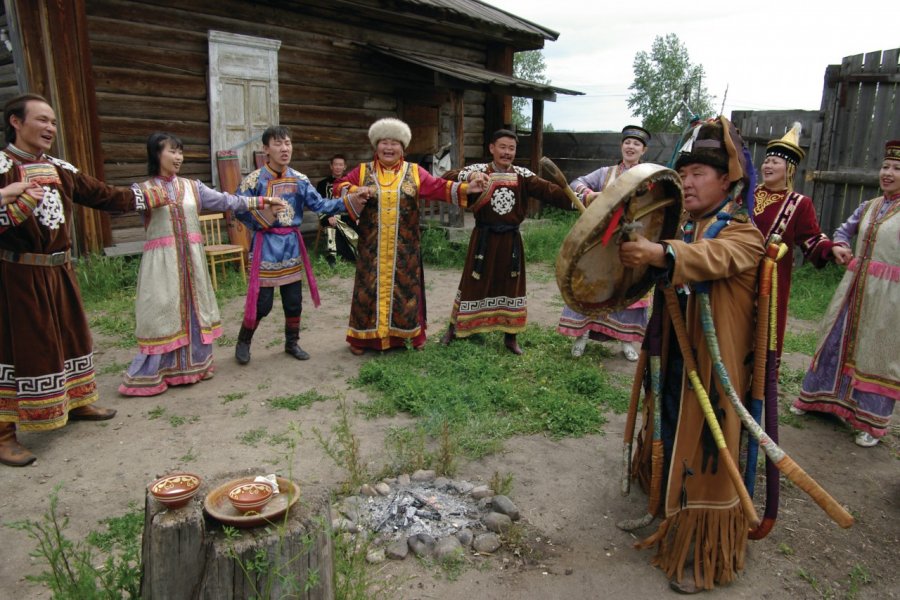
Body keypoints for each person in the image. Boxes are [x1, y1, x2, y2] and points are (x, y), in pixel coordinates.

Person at [621, 117, 764, 592]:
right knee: (665, 419)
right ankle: (665, 502)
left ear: (728, 180)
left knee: (706, 449)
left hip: (714, 367)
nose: (688, 180)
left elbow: (711, 259)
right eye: (684, 173)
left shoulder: (743, 234)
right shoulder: (686, 222)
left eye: (699, 173)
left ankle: (700, 551)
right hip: (675, 354)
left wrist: (662, 254)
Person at [0, 93, 150, 466]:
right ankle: (3, 434)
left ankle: (78, 401)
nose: (50, 128)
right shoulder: (2, 166)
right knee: (17, 347)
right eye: (41, 120)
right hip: (16, 272)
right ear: (16, 122)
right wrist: (14, 201)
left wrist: (151, 194)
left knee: (69, 335)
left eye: (53, 121)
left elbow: (103, 195)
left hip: (59, 269)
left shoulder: (59, 167)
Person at [119, 133, 284, 396]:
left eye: (180, 152)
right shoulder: (144, 190)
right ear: (156, 154)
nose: (178, 157)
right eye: (172, 151)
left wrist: (262, 201)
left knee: (194, 309)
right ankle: (156, 371)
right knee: (163, 311)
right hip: (162, 264)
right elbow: (115, 204)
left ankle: (192, 366)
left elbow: (228, 201)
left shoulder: (192, 187)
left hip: (191, 261)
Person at [333, 117, 485, 355]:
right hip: (370, 248)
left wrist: (467, 188)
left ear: (403, 148)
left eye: (395, 143)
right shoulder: (363, 171)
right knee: (367, 290)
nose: (389, 148)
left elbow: (438, 187)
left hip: (405, 249)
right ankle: (363, 339)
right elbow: (338, 186)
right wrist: (355, 190)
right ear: (376, 146)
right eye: (384, 142)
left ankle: (407, 337)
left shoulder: (414, 172)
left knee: (405, 292)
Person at [791, 140, 900, 447]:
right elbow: (842, 230)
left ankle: (871, 423)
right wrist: (840, 246)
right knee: (836, 338)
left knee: (876, 352)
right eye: (885, 167)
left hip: (889, 296)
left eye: (896, 169)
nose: (888, 173)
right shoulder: (870, 206)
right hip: (853, 287)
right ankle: (818, 401)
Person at [440, 129, 578, 355]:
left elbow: (551, 191)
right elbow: (446, 178)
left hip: (510, 241)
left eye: (511, 148)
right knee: (471, 283)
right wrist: (469, 178)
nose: (507, 152)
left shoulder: (523, 175)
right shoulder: (478, 171)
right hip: (483, 239)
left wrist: (583, 199)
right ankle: (455, 329)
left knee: (511, 286)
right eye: (502, 147)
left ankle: (510, 337)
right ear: (492, 148)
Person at [234, 125, 351, 364]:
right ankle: (244, 341)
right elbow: (238, 207)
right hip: (266, 245)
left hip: (291, 245)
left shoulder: (300, 180)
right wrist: (263, 218)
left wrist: (349, 201)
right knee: (262, 303)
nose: (284, 148)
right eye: (278, 144)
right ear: (266, 149)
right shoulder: (254, 180)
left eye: (287, 143)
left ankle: (292, 343)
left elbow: (320, 206)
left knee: (293, 300)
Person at [558, 125, 653, 361]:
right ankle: (582, 334)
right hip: (601, 240)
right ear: (621, 146)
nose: (631, 147)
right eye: (627, 142)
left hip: (633, 242)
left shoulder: (650, 176)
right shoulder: (605, 173)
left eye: (636, 144)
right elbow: (575, 183)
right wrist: (590, 195)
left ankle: (626, 340)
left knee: (628, 289)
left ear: (644, 150)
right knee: (591, 286)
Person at [752, 123, 839, 356]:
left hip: (771, 280)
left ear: (789, 168)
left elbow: (811, 239)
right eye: (767, 161)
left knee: (763, 335)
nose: (768, 165)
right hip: (738, 272)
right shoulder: (749, 193)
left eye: (775, 162)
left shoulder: (799, 204)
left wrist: (831, 250)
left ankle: (759, 386)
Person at [316, 154, 358, 265]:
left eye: (341, 165)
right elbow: (319, 205)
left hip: (347, 215)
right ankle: (332, 257)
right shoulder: (322, 184)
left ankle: (353, 254)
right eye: (336, 165)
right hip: (328, 215)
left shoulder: (350, 184)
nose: (338, 167)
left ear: (345, 167)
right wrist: (329, 216)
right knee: (332, 223)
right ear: (331, 166)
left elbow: (355, 202)